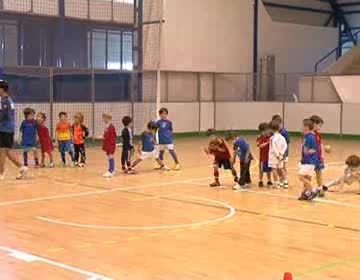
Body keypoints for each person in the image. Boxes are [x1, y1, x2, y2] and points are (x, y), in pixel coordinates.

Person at [0, 80, 28, 180]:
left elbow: (4, 116)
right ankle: (22, 167)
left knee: (2, 151)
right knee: (6, 151)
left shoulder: (5, 101)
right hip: (7, 128)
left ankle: (1, 174)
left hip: (5, 129)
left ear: (2, 89)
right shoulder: (8, 100)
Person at [298, 119, 320, 201]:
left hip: (309, 161)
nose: (302, 127)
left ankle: (313, 189)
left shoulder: (310, 137)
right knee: (307, 178)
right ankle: (305, 193)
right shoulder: (307, 136)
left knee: (300, 176)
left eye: (303, 126)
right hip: (307, 161)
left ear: (307, 127)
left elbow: (313, 149)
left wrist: (307, 152)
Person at [268, 120, 288, 189]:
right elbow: (285, 146)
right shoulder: (282, 137)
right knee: (281, 168)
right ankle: (285, 182)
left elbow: (274, 148)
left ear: (271, 129)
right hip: (281, 156)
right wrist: (281, 154)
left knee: (274, 169)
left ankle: (276, 182)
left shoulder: (272, 138)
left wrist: (277, 155)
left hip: (274, 156)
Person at [272, 115, 290, 188]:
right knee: (279, 167)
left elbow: (287, 144)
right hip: (278, 154)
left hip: (282, 153)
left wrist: (284, 154)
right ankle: (281, 180)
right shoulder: (275, 133)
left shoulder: (284, 132)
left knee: (282, 167)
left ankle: (285, 181)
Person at [310, 115, 325, 196]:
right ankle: (307, 190)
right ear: (314, 124)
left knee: (319, 173)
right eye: (319, 125)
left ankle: (320, 189)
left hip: (318, 158)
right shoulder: (309, 135)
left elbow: (321, 144)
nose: (320, 127)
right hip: (311, 158)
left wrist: (322, 154)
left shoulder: (318, 134)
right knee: (307, 174)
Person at [98, 113, 117, 178]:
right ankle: (110, 170)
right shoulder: (107, 126)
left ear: (108, 118)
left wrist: (98, 137)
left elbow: (106, 136)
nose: (103, 119)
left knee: (110, 156)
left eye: (104, 118)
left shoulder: (110, 127)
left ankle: (111, 171)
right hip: (108, 144)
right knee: (109, 156)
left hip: (110, 144)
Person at [256, 122, 273, 188]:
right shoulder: (260, 137)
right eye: (264, 131)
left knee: (269, 170)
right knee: (261, 169)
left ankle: (269, 180)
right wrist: (267, 143)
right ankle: (260, 180)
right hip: (263, 157)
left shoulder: (270, 137)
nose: (266, 132)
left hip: (269, 156)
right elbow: (260, 145)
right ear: (261, 131)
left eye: (267, 130)